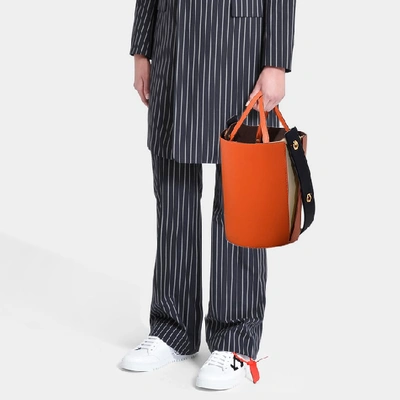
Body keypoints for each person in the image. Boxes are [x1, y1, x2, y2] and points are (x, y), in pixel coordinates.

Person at [119, 0, 297, 391]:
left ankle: (236, 339)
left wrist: (276, 61)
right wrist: (142, 48)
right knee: (173, 193)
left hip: (239, 45)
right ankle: (171, 329)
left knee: (241, 197)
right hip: (172, 38)